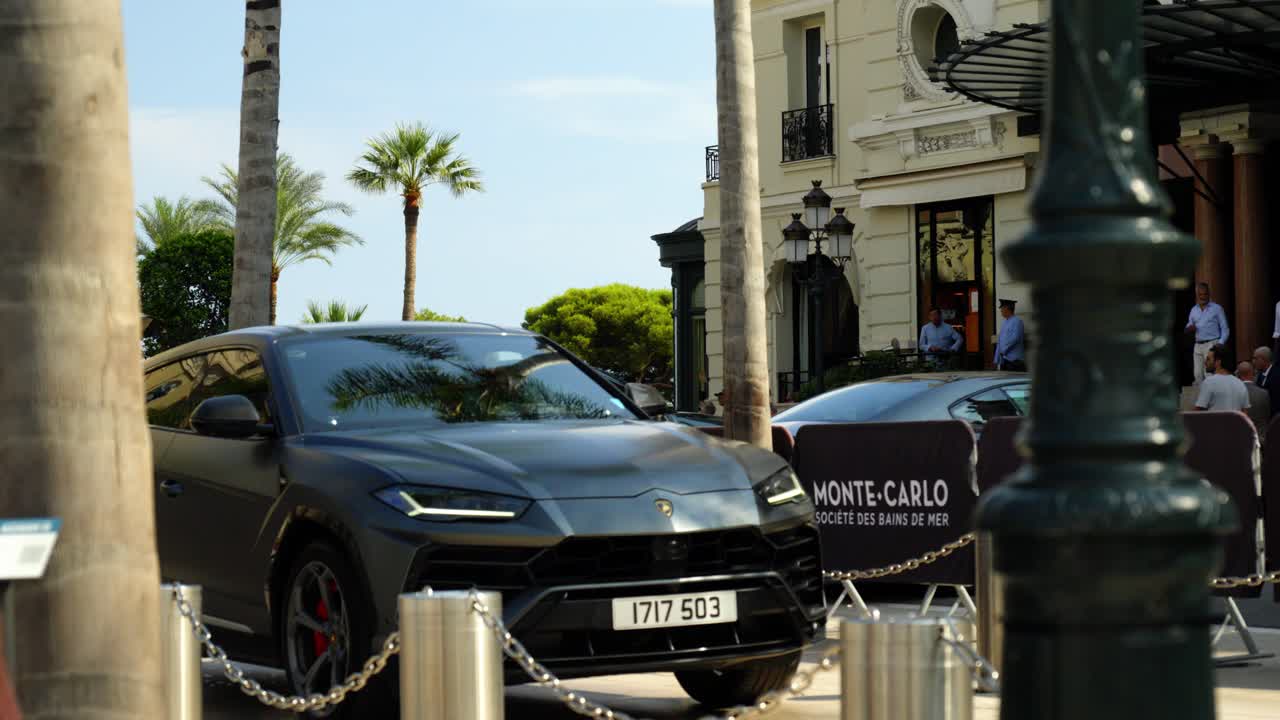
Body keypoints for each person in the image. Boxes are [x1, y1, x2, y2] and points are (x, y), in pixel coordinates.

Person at [1186, 282, 1229, 385]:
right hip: (1197, 345)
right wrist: (1189, 328)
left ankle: (1212, 399)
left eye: (1205, 294)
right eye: (1200, 294)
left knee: (1209, 374)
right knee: (1197, 375)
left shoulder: (1217, 308)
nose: (1203, 297)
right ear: (1197, 295)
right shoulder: (1193, 310)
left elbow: (1225, 328)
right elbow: (1188, 326)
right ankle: (1201, 399)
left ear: (1209, 294)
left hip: (1212, 343)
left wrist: (1220, 343)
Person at [1195, 344, 1249, 412]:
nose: (1205, 362)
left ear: (1218, 362)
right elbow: (1245, 413)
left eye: (1208, 359)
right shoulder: (1240, 384)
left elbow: (1199, 411)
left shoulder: (1209, 382)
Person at [1236, 361, 1271, 441]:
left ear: (1238, 375)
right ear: (1254, 373)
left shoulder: (1234, 393)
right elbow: (1267, 415)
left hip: (1241, 438)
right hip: (1260, 437)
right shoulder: (1264, 393)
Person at [993, 298, 1026, 371]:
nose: (1000, 311)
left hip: (1015, 361)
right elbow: (1000, 340)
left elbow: (1015, 338)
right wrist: (997, 358)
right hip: (1005, 360)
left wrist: (1004, 350)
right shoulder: (1004, 322)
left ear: (1007, 309)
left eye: (1002, 308)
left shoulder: (1017, 321)